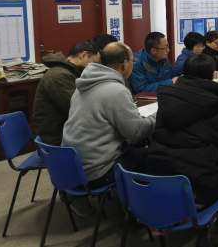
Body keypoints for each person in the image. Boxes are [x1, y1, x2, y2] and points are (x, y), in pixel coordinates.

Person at [146, 54, 218, 247]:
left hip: (158, 180)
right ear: (211, 75)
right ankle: (207, 231)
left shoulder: (167, 97)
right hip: (198, 187)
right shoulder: (211, 104)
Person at [62, 43, 156, 191]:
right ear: (125, 64)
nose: (133, 63)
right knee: (157, 157)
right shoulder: (116, 91)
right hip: (96, 171)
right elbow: (137, 132)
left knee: (135, 148)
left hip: (71, 168)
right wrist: (158, 114)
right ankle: (140, 201)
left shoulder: (82, 85)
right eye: (133, 60)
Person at [32, 40, 100, 148]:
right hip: (54, 141)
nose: (95, 67)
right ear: (84, 55)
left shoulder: (69, 72)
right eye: (95, 62)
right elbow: (77, 109)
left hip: (66, 133)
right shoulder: (59, 75)